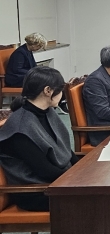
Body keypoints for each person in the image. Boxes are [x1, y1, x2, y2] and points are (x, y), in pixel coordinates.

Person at [0, 67, 77, 211]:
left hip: (55, 181)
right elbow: (45, 171)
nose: (62, 95)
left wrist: (82, 170)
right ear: (48, 91)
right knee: (98, 197)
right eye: (60, 90)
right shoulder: (20, 129)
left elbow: (65, 149)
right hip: (35, 192)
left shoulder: (46, 111)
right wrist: (80, 179)